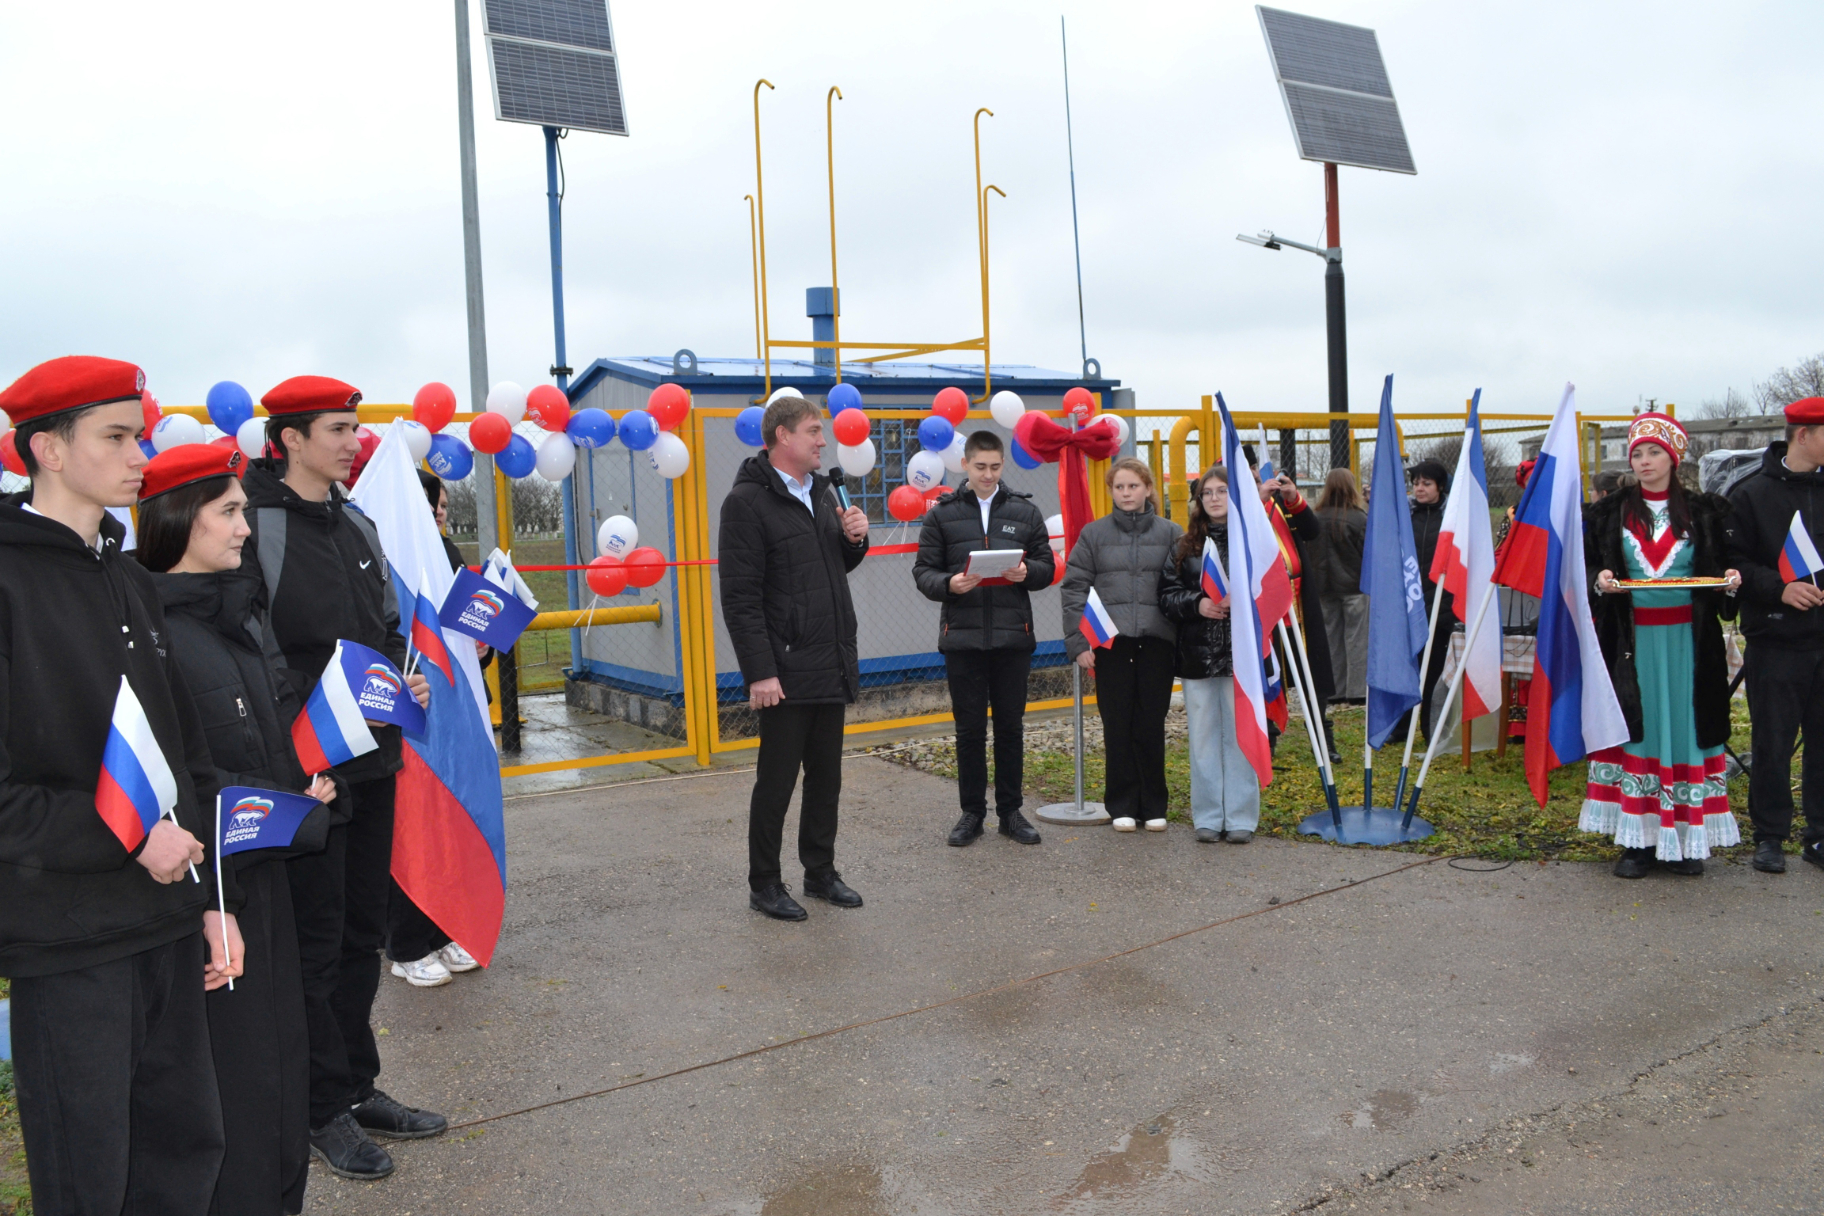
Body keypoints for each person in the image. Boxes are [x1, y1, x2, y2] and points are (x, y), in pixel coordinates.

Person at [0, 356, 237, 1212]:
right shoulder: (8, 580)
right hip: (67, 944)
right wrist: (130, 835)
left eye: (139, 433)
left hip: (166, 924)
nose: (140, 453)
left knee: (183, 1158)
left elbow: (186, 760)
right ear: (47, 450)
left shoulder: (129, 578)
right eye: (117, 435)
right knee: (89, 1181)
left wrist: (212, 901)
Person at [231, 375, 441, 1180]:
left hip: (375, 758)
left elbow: (383, 627)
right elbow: (253, 649)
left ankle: (357, 1086)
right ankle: (319, 1109)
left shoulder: (356, 521)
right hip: (308, 773)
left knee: (361, 933)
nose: (355, 442)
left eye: (356, 428)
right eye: (339, 430)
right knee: (315, 945)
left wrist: (401, 677)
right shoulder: (257, 525)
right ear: (289, 439)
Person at [136, 444, 338, 1215]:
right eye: (228, 511)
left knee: (282, 1076)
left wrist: (300, 787)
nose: (246, 527)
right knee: (241, 1096)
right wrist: (273, 803)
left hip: (266, 883)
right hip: (213, 896)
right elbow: (181, 780)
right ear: (180, 519)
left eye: (243, 510)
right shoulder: (156, 633)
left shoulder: (235, 614)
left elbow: (266, 729)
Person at [719, 393, 871, 920]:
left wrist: (854, 542)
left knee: (826, 777)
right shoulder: (747, 503)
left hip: (829, 658)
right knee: (778, 780)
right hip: (784, 668)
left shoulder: (825, 492)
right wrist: (760, 670)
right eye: (813, 431)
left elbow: (826, 571)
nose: (822, 441)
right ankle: (765, 882)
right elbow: (740, 599)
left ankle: (820, 872)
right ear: (783, 435)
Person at [1584, 413, 1742, 877]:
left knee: (1686, 728)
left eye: (1654, 452)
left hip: (1689, 645)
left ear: (1673, 458)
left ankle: (1688, 836)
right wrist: (1602, 577)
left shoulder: (1704, 511)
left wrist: (1731, 579)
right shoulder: (1610, 513)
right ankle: (1639, 842)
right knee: (1642, 728)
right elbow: (1589, 563)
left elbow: (1723, 567)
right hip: (1633, 644)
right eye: (1637, 453)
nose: (1644, 460)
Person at [914, 431, 1056, 848]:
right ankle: (971, 813)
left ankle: (1011, 813)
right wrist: (949, 583)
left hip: (1014, 639)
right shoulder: (941, 515)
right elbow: (923, 572)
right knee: (970, 730)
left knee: (1010, 728)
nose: (989, 475)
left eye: (995, 467)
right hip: (963, 640)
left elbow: (1047, 565)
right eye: (981, 467)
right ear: (965, 465)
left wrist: (1028, 573)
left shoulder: (1025, 512)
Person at [383, 470, 485, 987]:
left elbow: (467, 633)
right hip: (412, 713)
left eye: (443, 502)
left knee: (449, 825)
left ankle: (442, 928)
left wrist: (481, 647)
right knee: (413, 827)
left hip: (454, 716)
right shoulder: (389, 555)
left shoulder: (449, 554)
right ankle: (404, 944)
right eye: (431, 502)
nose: (441, 511)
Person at [1724, 395, 1824, 875]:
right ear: (1803, 435)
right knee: (1773, 742)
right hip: (1776, 641)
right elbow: (1734, 565)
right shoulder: (1750, 494)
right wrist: (1780, 590)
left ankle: (1820, 836)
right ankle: (1769, 837)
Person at [1060, 458, 1182, 832]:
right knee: (1117, 723)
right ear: (1111, 491)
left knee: (1150, 723)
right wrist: (1079, 641)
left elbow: (1182, 586)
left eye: (1133, 486)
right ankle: (1122, 804)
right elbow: (1074, 588)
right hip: (1110, 646)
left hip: (1157, 643)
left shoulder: (1172, 533)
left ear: (1148, 489)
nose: (1126, 493)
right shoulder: (1094, 535)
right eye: (1119, 487)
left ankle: (1153, 804)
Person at [1158, 467, 1259, 842]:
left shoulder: (1254, 542)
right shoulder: (1185, 546)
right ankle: (1208, 816)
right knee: (1202, 738)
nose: (1215, 498)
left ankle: (1241, 817)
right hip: (1197, 656)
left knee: (1239, 736)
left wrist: (1246, 601)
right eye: (1207, 493)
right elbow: (1166, 596)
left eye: (1222, 491)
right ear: (1199, 501)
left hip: (1242, 657)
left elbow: (1275, 585)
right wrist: (1197, 603)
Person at [1249, 451, 1336, 761]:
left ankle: (1323, 738)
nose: (1253, 474)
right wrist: (1257, 501)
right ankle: (1269, 741)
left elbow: (1312, 532)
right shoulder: (1238, 505)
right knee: (1270, 675)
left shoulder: (1278, 500)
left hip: (1299, 601)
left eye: (1253, 468)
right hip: (1263, 606)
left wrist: (1293, 498)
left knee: (1314, 671)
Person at [1407, 458, 1453, 742]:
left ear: (1440, 486)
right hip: (1410, 603)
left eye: (1426, 483)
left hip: (1441, 605)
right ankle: (1402, 725)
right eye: (1415, 483)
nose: (1419, 489)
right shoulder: (1407, 516)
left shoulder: (1451, 518)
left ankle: (1430, 726)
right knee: (1408, 665)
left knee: (1434, 666)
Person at [1313, 468, 1368, 702]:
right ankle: (1357, 691)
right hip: (1354, 586)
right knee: (1356, 638)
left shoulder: (1315, 516)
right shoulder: (1358, 517)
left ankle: (1335, 690)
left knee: (1330, 639)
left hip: (1323, 588)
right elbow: (1367, 553)